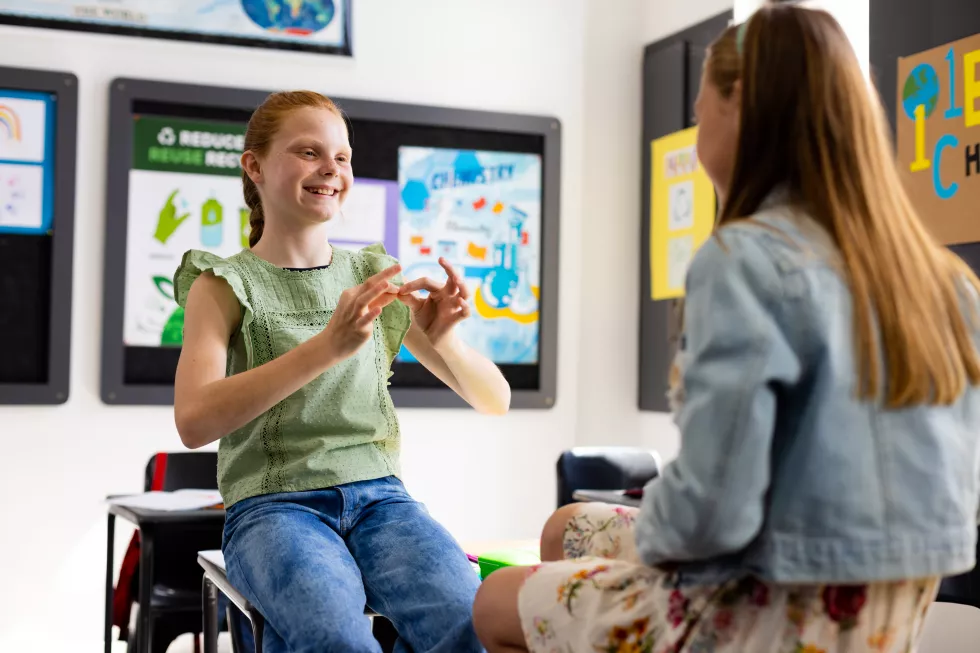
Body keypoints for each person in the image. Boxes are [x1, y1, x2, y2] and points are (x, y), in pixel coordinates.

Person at [471, 4, 980, 652]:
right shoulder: (947, 280)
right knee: (567, 527)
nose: (695, 125)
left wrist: (653, 539)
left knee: (494, 599)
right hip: (884, 611)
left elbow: (713, 513)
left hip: (766, 611)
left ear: (741, 101)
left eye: (698, 106)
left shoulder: (744, 258)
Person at [172, 89, 511, 652]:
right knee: (337, 639)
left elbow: (494, 398)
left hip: (382, 500)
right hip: (272, 506)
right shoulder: (222, 284)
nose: (331, 168)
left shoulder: (374, 276)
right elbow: (193, 421)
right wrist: (328, 346)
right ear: (254, 166)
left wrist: (447, 341)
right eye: (308, 152)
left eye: (343, 157)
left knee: (470, 623)